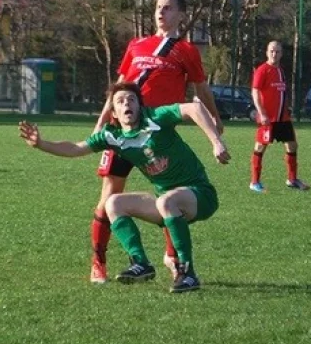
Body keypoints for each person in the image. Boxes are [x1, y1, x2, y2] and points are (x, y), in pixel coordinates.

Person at [19, 82, 230, 293]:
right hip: (168, 202)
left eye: (131, 99)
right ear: (115, 113)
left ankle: (188, 273)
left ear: (139, 105)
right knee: (113, 203)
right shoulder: (113, 136)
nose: (126, 103)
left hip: (200, 195)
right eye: (120, 101)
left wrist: (216, 142)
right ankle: (141, 264)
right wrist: (41, 144)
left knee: (166, 200)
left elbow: (193, 108)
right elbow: (75, 148)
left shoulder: (156, 118)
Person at [88, 0, 224, 284]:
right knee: (107, 199)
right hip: (122, 133)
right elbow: (118, 90)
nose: (161, 12)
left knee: (170, 193)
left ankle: (172, 258)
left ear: (181, 15)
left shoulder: (186, 50)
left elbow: (200, 90)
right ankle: (99, 261)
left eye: (168, 8)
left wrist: (215, 118)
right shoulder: (137, 45)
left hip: (157, 134)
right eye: (158, 8)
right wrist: (101, 122)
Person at [250, 40, 310, 192]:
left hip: (283, 118)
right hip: (268, 119)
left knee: (292, 145)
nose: (274, 54)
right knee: (260, 147)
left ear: (281, 54)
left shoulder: (281, 71)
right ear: (267, 52)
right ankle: (255, 182)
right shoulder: (262, 70)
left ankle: (292, 179)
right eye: (271, 51)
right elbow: (255, 92)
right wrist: (262, 113)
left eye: (277, 51)